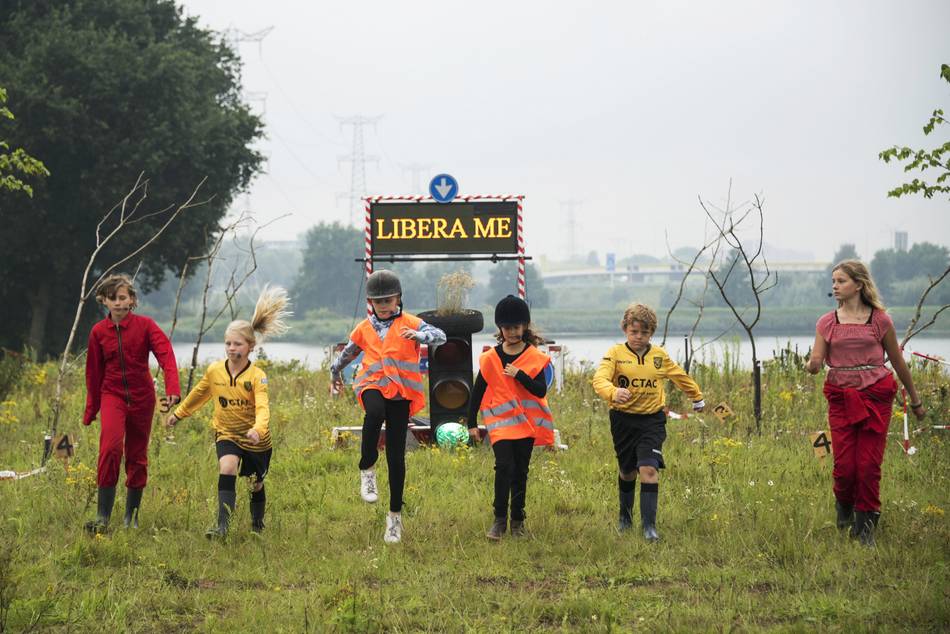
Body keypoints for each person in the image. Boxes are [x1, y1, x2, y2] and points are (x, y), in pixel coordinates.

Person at [807, 260, 925, 546]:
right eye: (833, 281)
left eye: (841, 281)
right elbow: (816, 361)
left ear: (858, 284)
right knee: (846, 467)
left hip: (876, 396)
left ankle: (866, 529)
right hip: (842, 398)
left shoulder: (880, 321)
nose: (834, 286)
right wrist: (812, 364)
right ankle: (844, 508)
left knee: (868, 465)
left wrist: (917, 402)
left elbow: (898, 362)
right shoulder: (827, 322)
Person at [330, 270, 446, 544]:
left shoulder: (411, 322)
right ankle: (367, 468)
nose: (383, 306)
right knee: (374, 413)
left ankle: (394, 518)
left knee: (396, 456)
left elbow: (440, 336)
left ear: (398, 299)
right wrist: (335, 371)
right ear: (371, 302)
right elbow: (349, 352)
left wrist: (419, 336)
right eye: (377, 302)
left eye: (388, 300)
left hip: (401, 392)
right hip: (371, 383)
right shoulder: (364, 328)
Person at [166, 286, 291, 538]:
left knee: (255, 483)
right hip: (226, 434)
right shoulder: (215, 371)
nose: (232, 348)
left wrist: (258, 429)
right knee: (227, 468)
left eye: (238, 344)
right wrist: (178, 414)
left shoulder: (258, 376)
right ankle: (222, 526)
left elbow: (263, 408)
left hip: (256, 440)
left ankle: (257, 524)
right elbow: (199, 394)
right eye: (228, 343)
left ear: (250, 347)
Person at [591, 303, 705, 542]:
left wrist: (696, 396)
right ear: (625, 330)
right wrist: (613, 392)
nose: (639, 337)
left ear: (651, 332)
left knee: (649, 468)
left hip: (652, 420)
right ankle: (625, 518)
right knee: (628, 470)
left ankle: (649, 527)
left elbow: (679, 376)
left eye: (644, 332)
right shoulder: (615, 353)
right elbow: (599, 379)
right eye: (634, 332)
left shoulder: (659, 356)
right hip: (623, 419)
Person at [83, 273, 180, 532]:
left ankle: (131, 517)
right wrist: (91, 409)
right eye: (112, 298)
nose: (117, 302)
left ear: (132, 300)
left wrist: (172, 388)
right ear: (104, 300)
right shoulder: (98, 333)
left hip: (142, 398)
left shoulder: (146, 326)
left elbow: (166, 355)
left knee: (137, 455)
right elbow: (93, 374)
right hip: (112, 395)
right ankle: (102, 517)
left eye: (122, 297)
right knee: (110, 449)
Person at [466, 295, 553, 541]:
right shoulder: (490, 358)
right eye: (507, 328)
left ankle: (518, 521)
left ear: (525, 327)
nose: (512, 332)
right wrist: (472, 423)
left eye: (516, 327)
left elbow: (540, 390)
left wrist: (520, 375)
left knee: (520, 471)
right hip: (501, 426)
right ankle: (499, 520)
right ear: (500, 329)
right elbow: (478, 391)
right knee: (503, 467)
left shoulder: (535, 357)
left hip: (526, 426)